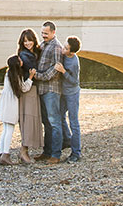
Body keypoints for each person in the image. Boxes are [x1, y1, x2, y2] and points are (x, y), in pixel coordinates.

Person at [34, 21, 66, 164]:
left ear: (53, 32)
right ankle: (47, 152)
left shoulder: (56, 47)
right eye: (42, 33)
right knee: (46, 122)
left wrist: (37, 76)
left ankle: (56, 154)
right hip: (42, 89)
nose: (43, 35)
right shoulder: (43, 45)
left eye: (46, 33)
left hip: (51, 90)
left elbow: (55, 71)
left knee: (54, 122)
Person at [0, 52, 32, 165]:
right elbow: (24, 88)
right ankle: (5, 154)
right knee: (9, 130)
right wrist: (30, 77)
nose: (22, 61)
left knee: (5, 129)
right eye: (20, 60)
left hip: (4, 103)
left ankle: (0, 153)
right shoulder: (17, 76)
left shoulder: (8, 74)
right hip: (11, 104)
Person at [15, 28, 43, 164]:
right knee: (28, 119)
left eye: (29, 40)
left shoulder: (34, 53)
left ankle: (26, 150)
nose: (27, 43)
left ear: (34, 40)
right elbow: (35, 70)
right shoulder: (25, 55)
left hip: (33, 88)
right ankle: (23, 151)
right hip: (28, 90)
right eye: (25, 41)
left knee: (31, 119)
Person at [55, 35, 83, 163]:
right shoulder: (63, 54)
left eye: (66, 48)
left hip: (72, 94)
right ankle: (66, 139)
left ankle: (76, 153)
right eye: (64, 46)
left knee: (74, 122)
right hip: (63, 92)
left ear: (71, 52)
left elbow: (74, 81)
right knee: (60, 116)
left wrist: (63, 71)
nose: (63, 49)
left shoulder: (74, 62)